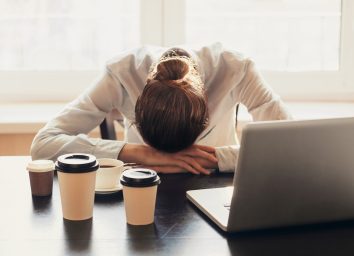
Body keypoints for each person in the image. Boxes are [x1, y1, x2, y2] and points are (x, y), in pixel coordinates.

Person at [31, 42, 292, 174]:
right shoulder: (122, 72)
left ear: (206, 112)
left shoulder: (236, 68)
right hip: (142, 179)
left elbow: (292, 143)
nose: (175, 159)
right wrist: (140, 153)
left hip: (217, 184)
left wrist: (215, 158)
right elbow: (43, 145)